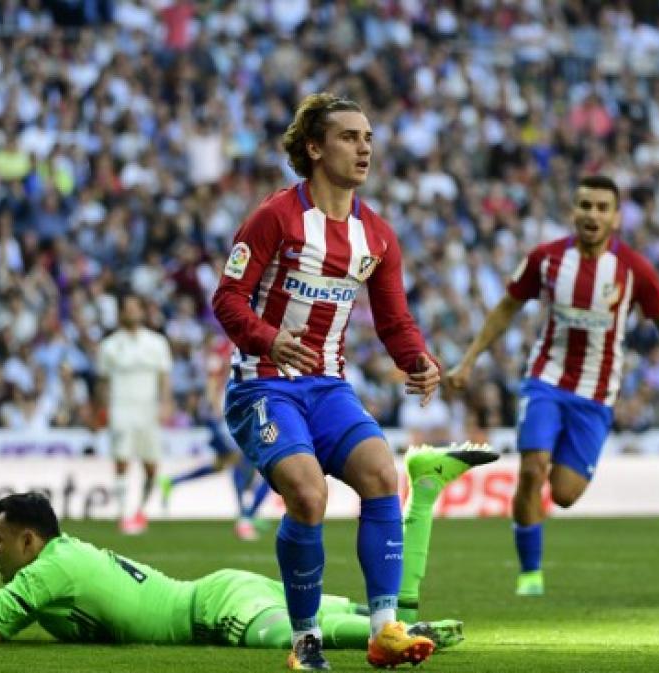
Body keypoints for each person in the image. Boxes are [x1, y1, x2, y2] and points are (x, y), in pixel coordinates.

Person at [211, 92, 453, 670]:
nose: (364, 146)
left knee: (380, 473)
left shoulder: (379, 237)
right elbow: (227, 297)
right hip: (263, 384)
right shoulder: (275, 217)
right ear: (315, 148)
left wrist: (417, 358)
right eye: (349, 137)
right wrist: (268, 339)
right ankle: (305, 641)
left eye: (368, 137)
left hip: (327, 384)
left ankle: (383, 630)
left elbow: (393, 319)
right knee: (308, 494)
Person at [0, 446, 496, 653]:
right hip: (219, 588)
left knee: (301, 638)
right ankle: (426, 490)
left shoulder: (52, 566)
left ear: (28, 539)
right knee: (383, 605)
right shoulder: (54, 569)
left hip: (215, 609)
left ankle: (407, 633)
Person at [445, 174, 659, 597]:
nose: (592, 214)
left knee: (566, 493)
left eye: (601, 207)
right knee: (532, 467)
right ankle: (530, 574)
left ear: (615, 218)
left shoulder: (634, 271)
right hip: (546, 380)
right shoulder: (547, 259)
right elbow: (506, 308)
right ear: (573, 211)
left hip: (596, 393)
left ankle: (539, 516)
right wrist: (468, 360)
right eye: (585, 205)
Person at [159, 331, 270, 541]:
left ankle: (172, 482)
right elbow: (214, 377)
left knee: (224, 463)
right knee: (243, 461)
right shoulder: (228, 348)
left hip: (232, 411)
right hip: (225, 413)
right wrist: (214, 408)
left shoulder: (242, 345)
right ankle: (245, 517)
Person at [96, 293, 173, 535]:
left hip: (148, 408)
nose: (131, 313)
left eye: (134, 308)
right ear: (120, 314)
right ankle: (122, 513)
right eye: (126, 309)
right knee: (121, 461)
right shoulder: (109, 346)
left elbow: (164, 378)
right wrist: (101, 409)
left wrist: (166, 403)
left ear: (142, 311)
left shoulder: (157, 342)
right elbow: (102, 381)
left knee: (151, 466)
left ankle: (140, 509)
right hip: (121, 407)